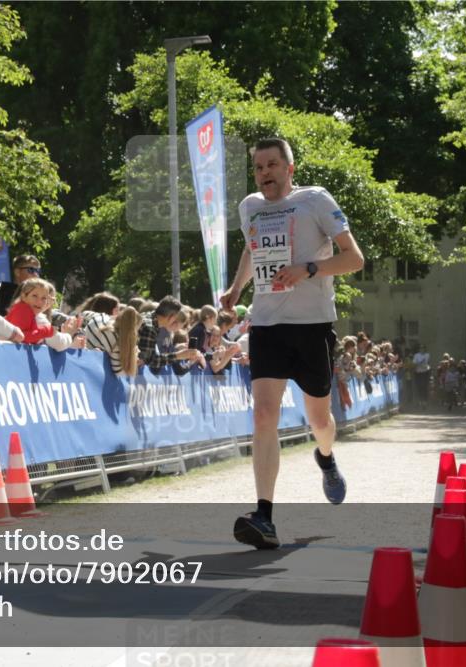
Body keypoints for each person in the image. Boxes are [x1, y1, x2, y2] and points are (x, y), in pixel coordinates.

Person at [219, 137, 365, 549]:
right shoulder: (250, 206)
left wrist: (309, 268)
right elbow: (252, 251)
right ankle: (263, 517)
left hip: (312, 325)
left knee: (320, 420)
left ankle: (325, 456)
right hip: (266, 324)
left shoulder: (315, 200)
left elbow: (354, 259)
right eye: (258, 167)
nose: (264, 173)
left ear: (289, 168)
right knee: (264, 415)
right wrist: (235, 289)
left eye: (272, 165)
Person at [4, 277, 80, 348]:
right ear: (24, 296)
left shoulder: (27, 311)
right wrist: (47, 331)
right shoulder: (24, 310)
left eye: (44, 298)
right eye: (34, 296)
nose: (39, 301)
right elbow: (20, 337)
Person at [137, 296, 206, 374]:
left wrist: (177, 350)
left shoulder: (148, 317)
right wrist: (179, 355)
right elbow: (152, 361)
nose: (174, 322)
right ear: (171, 317)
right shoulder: (149, 327)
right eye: (175, 319)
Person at [413, 343, 431, 409]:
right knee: (419, 387)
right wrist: (420, 362)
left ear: (425, 349)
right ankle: (420, 401)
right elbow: (414, 363)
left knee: (425, 387)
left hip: (425, 372)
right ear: (419, 349)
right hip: (418, 372)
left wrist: (428, 368)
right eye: (421, 348)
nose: (422, 349)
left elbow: (428, 363)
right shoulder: (416, 355)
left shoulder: (427, 355)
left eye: (423, 348)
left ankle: (425, 402)